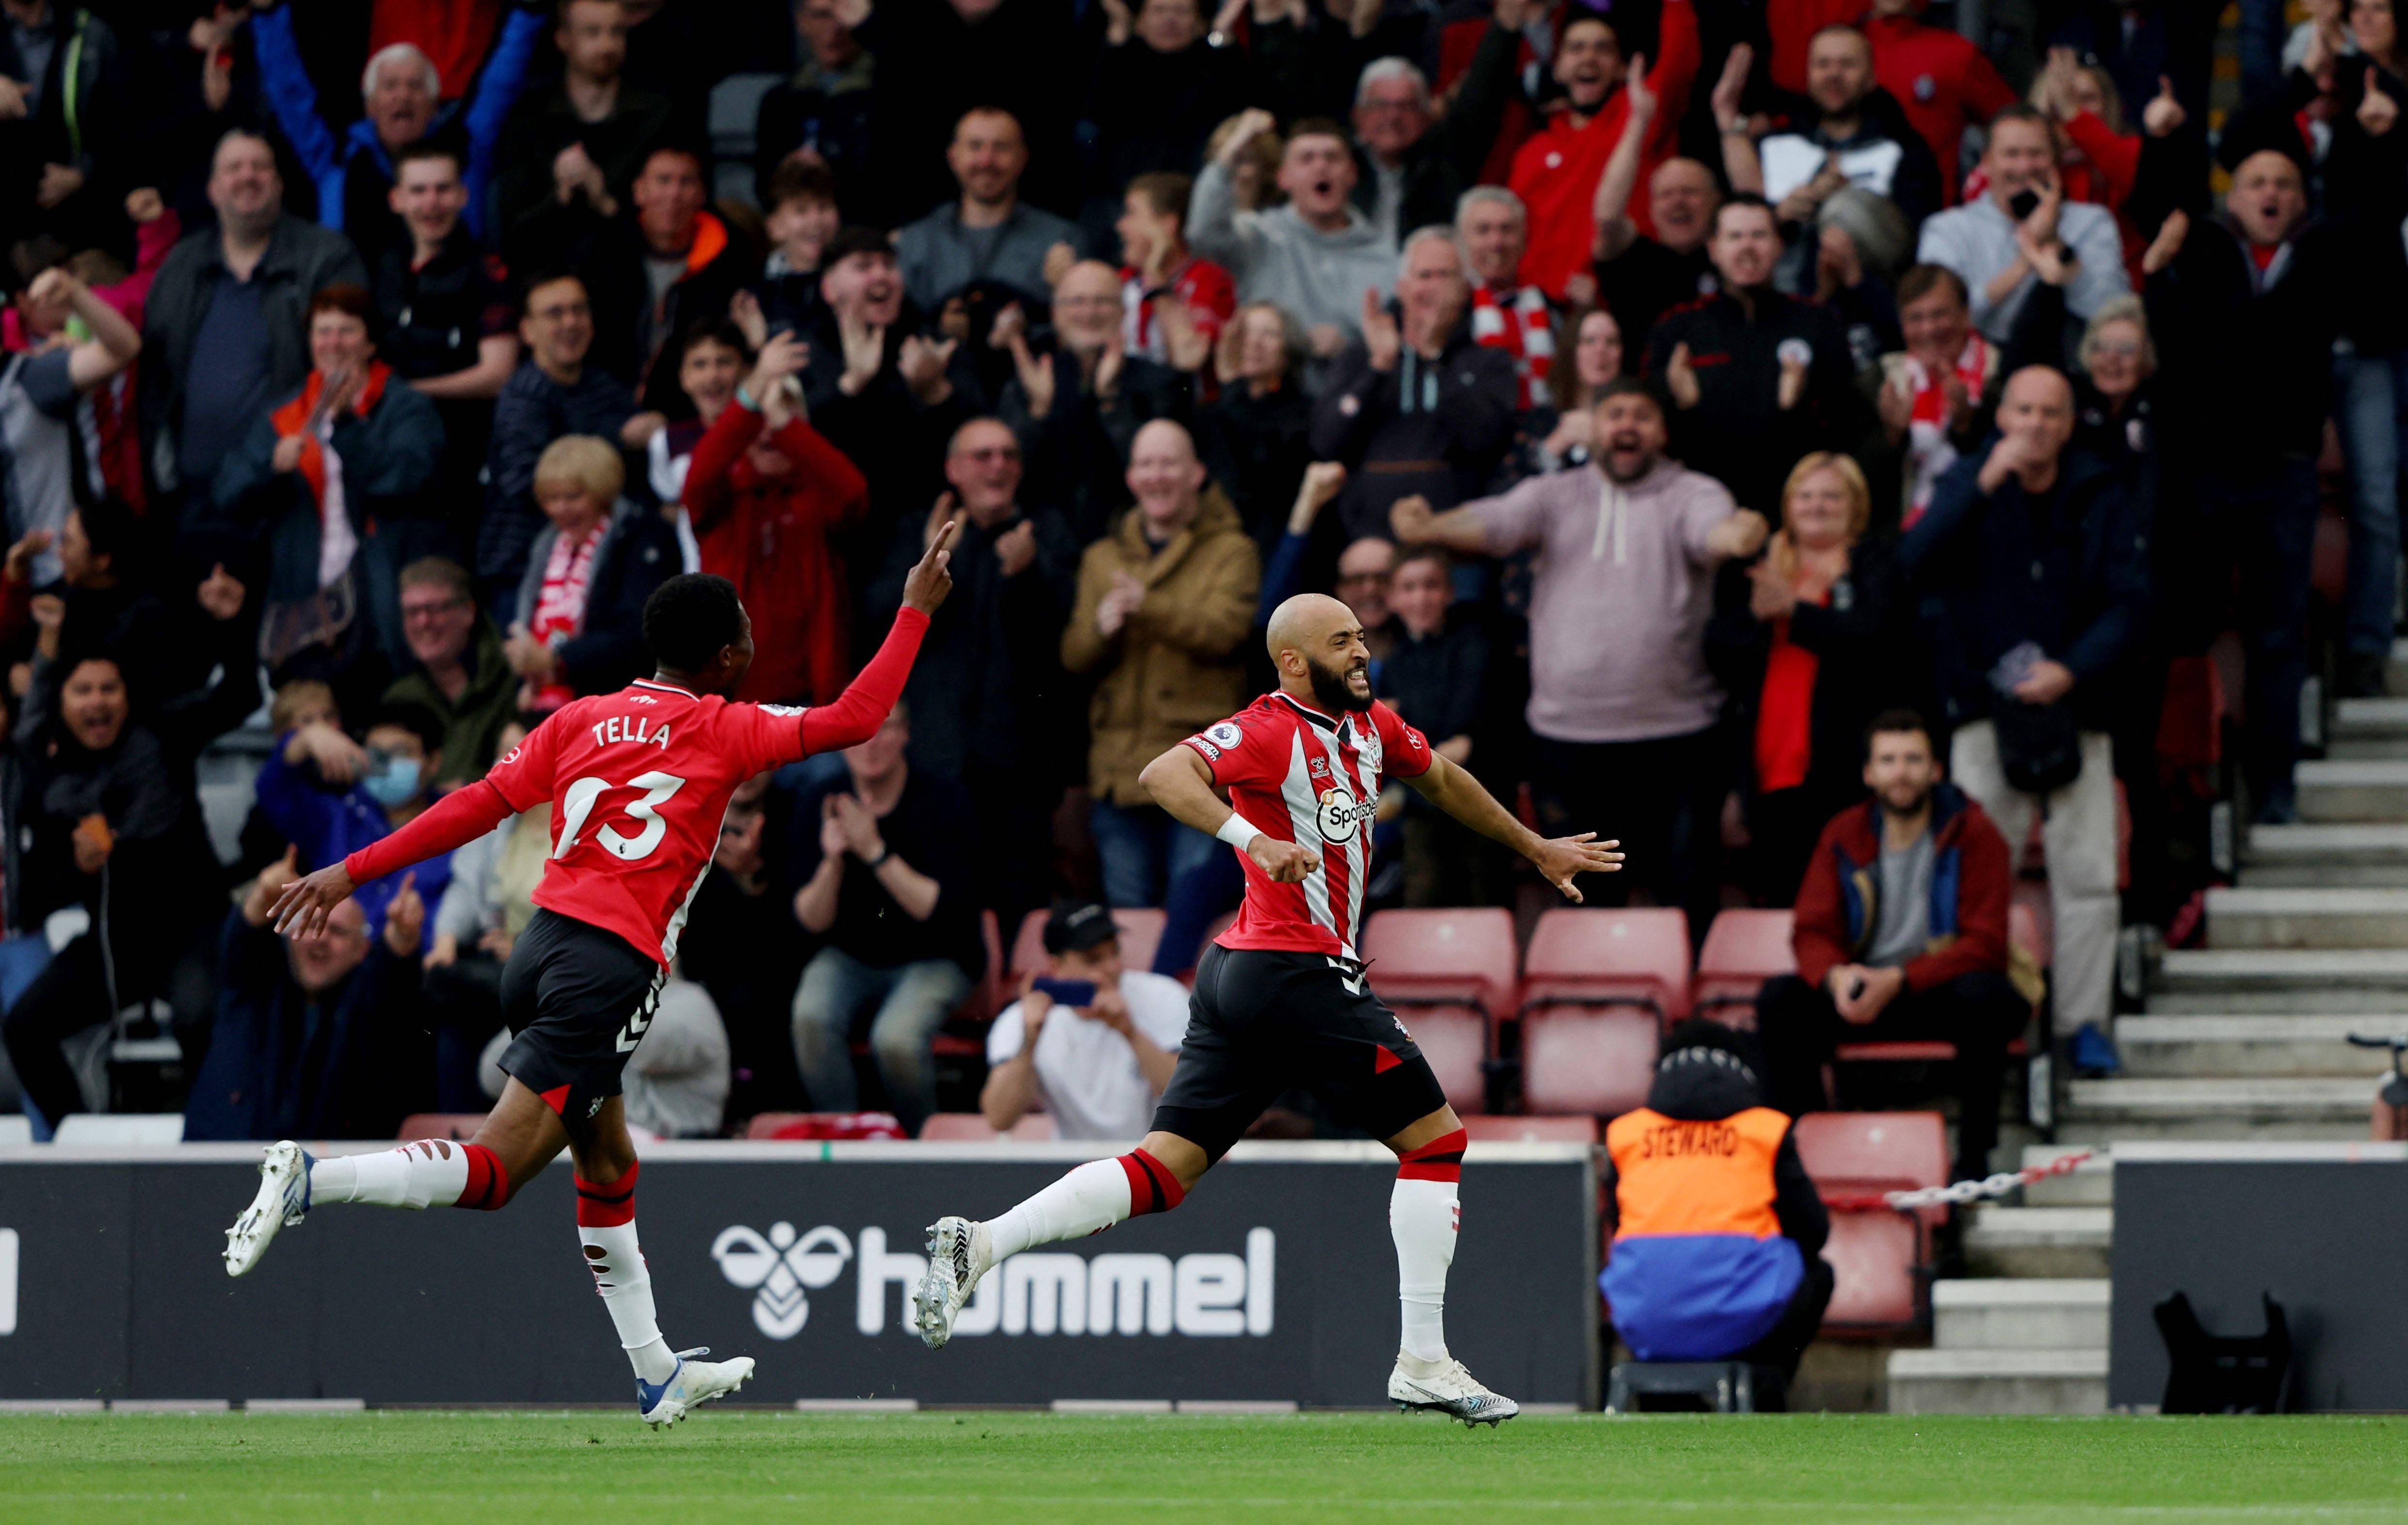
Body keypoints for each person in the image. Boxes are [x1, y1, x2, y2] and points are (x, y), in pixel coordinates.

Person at [224, 532, 960, 1430]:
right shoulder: (730, 725)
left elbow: (471, 807)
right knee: (497, 1172)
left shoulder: (579, 719)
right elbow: (856, 716)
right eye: (745, 632)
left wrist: (352, 871)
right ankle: (312, 1178)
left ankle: (657, 1373)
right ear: (728, 656)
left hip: (538, 950)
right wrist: (916, 606)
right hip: (608, 967)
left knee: (608, 1161)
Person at [912, 589, 1622, 1424]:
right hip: (1294, 969)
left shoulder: (1371, 726)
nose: (1361, 653)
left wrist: (1533, 846)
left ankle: (983, 1242)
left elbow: (1442, 779)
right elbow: (1161, 774)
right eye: (1342, 642)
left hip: (1243, 975)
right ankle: (1423, 1359)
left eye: (1361, 639)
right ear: (1293, 661)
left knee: (1165, 1170)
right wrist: (1253, 841)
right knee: (1436, 1141)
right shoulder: (1264, 728)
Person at [1393, 378, 1768, 941]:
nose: (1626, 425)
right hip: (1568, 745)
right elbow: (1495, 522)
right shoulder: (1553, 493)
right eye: (1614, 413)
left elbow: (1711, 532)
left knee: (1686, 894)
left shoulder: (1693, 491)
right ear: (1591, 427)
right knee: (1586, 907)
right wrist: (1431, 528)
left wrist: (1736, 534)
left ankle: (1690, 1020)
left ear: (1661, 432)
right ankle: (1594, 1019)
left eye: (1641, 414)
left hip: (1679, 740)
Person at [1903, 365, 2144, 1056]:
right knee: (1978, 880)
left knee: (2088, 876)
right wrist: (1978, 485)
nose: (2035, 425)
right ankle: (1981, 1018)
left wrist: (2070, 669)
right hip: (1983, 709)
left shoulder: (2098, 489)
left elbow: (2132, 600)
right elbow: (1910, 564)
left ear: (2068, 424)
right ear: (2000, 416)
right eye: (2023, 411)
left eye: (2050, 413)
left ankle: (2083, 1025)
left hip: (2078, 704)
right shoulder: (1965, 483)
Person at [2135, 146, 2339, 815]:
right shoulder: (2203, 255)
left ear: (2301, 199)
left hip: (2282, 474)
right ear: (2233, 197)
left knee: (2277, 634)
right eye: (2255, 183)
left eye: (2283, 183)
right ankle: (2192, 787)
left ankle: (2272, 783)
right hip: (2209, 475)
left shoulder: (2318, 259)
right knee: (2188, 626)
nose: (2270, 195)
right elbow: (2173, 353)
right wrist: (2159, 275)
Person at [1755, 712, 2029, 1184]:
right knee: (1780, 1000)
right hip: (1865, 988)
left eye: (1912, 759)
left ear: (1935, 769)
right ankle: (1807, 1154)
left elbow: (1984, 943)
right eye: (1887, 760)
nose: (1900, 772)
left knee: (1985, 996)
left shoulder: (1974, 832)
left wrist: (1900, 979)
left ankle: (1975, 1160)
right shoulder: (1844, 832)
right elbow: (1810, 930)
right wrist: (1837, 978)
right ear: (1868, 772)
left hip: (1934, 989)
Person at [868, 417, 1078, 921]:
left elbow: (1064, 649)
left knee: (1017, 904)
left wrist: (1026, 575)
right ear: (953, 469)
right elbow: (878, 622)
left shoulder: (1046, 532)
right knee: (943, 901)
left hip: (1019, 770)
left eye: (1008, 455)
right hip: (936, 760)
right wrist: (928, 563)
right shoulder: (919, 531)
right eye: (983, 455)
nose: (998, 465)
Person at [1062, 420, 1258, 937]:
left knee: (1190, 922)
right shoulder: (1101, 559)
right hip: (1119, 774)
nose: (1157, 475)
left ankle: (1189, 1019)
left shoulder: (1232, 550)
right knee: (1128, 927)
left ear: (1196, 473)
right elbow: (1073, 655)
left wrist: (1148, 606)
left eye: (1169, 462)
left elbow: (1227, 632)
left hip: (1196, 773)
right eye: (1146, 464)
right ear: (1130, 478)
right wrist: (1101, 631)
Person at [142, 129, 369, 540]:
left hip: (289, 497)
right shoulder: (180, 265)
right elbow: (153, 373)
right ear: (212, 190)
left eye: (260, 167)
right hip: (194, 501)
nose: (248, 177)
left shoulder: (326, 257)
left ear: (280, 185)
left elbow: (347, 366)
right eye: (234, 168)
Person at [212, 284, 446, 680]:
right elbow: (229, 495)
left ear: (371, 344)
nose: (333, 343)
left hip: (380, 598)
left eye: (347, 331)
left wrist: (347, 428)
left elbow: (405, 480)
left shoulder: (405, 407)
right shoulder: (288, 414)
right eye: (322, 332)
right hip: (304, 605)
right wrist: (271, 468)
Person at [1707, 452, 1908, 904]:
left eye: (1832, 496)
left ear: (1855, 505)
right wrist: (1761, 619)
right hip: (1769, 767)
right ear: (1788, 504)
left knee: (1851, 902)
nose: (1817, 506)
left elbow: (1877, 640)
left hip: (1846, 767)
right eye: (1806, 495)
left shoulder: (1875, 562)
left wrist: (1794, 612)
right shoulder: (1757, 565)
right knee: (1777, 902)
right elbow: (1716, 649)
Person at [1601, 1019, 1831, 1393]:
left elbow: (1617, 1224)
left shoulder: (1627, 1133)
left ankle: (1665, 1397)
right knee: (1818, 1273)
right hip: (1744, 1324)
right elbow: (1814, 1231)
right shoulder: (1764, 1130)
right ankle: (1762, 1383)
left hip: (1647, 1319)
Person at [787, 702, 982, 1133]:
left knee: (895, 1038)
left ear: (906, 735)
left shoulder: (943, 799)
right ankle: (843, 1134)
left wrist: (874, 851)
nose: (871, 743)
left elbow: (937, 911)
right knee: (811, 1015)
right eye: (860, 731)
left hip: (937, 956)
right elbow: (809, 920)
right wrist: (833, 862)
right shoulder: (820, 798)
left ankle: (919, 1146)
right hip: (852, 956)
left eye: (885, 728)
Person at [249, 5, 541, 260]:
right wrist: (268, 13)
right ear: (370, 106)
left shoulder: (466, 148)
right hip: (355, 312)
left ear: (434, 106)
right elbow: (289, 91)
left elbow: (502, 81)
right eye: (390, 87)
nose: (403, 97)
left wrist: (529, 10)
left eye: (415, 86)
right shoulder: (333, 158)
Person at [183, 849, 433, 1142]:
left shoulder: (366, 1004)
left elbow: (393, 982)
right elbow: (243, 940)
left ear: (362, 950)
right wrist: (265, 894)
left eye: (338, 931)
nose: (321, 938)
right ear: (289, 936)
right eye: (311, 925)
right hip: (222, 1167)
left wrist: (403, 936)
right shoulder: (255, 985)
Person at [1646, 195, 1868, 520]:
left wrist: (1799, 405)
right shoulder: (1678, 329)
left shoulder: (1817, 324)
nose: (1747, 247)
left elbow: (1847, 431)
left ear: (1780, 246)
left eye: (1759, 236)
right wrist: (1684, 406)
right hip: (1702, 514)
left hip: (1797, 514)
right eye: (1735, 237)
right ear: (1714, 250)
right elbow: (1656, 439)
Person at [680, 330, 869, 706]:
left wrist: (786, 424)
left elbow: (854, 496)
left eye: (781, 417)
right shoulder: (723, 499)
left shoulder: (817, 498)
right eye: (760, 420)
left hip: (813, 703)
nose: (771, 429)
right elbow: (700, 475)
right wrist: (751, 398)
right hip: (731, 704)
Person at [514, 143, 759, 415]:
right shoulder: (600, 252)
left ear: (702, 195)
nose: (674, 194)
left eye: (686, 182)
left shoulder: (731, 261)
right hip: (601, 407)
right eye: (663, 181)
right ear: (639, 191)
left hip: (694, 413)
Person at [1311, 229, 1518, 543]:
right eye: (1424, 276)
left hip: (1455, 544)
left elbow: (1485, 439)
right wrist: (1377, 368)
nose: (1432, 287)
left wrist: (1435, 358)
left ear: (1465, 290)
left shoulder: (1489, 362)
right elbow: (1326, 441)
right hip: (1367, 544)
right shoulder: (1361, 358)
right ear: (1403, 287)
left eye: (1444, 276)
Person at [1508, 0, 1701, 298]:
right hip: (1548, 318)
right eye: (1576, 48)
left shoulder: (1639, 114)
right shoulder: (1530, 153)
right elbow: (1518, 243)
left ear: (1623, 68)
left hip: (1625, 300)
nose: (1589, 57)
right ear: (1557, 68)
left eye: (1603, 49)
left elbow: (1679, 56)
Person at [479, 272, 642, 610]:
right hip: (525, 572)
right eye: (555, 314)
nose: (570, 322)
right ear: (527, 331)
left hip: (599, 563)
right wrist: (619, 438)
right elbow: (524, 482)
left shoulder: (603, 385)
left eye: (579, 311)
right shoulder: (522, 396)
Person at [372, 142, 520, 513]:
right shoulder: (385, 268)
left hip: (464, 458)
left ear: (462, 196)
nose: (431, 203)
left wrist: (409, 391)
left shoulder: (486, 272)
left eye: (442, 189)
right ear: (397, 199)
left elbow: (498, 375)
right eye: (419, 191)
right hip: (391, 453)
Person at [999, 258, 1190, 544]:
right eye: (1077, 302)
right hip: (1043, 547)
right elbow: (1004, 478)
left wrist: (1112, 404)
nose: (1089, 313)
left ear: (1123, 313)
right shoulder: (1030, 379)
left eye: (1102, 302)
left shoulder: (1159, 382)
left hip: (1130, 544)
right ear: (1056, 314)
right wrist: (1038, 412)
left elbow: (1159, 480)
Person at [1188, 112, 1395, 359]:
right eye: (1306, 159)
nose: (1321, 166)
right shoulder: (1259, 238)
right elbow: (1202, 234)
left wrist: (1350, 351)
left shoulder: (1385, 257)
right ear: (1283, 177)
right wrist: (1231, 151)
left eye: (1332, 158)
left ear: (1352, 174)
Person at [1913, 107, 2128, 345]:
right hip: (1983, 372)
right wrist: (2027, 259)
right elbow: (1937, 324)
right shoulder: (1948, 230)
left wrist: (2057, 245)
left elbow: (2115, 316)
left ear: (2055, 161)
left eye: (2036, 154)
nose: (2025, 167)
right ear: (1986, 162)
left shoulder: (2091, 222)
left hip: (2073, 367)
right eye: (2011, 154)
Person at [980, 899, 1187, 1141]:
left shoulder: (1164, 995)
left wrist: (1129, 1032)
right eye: (1093, 959)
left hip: (1156, 1159)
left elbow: (1187, 1099)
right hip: (1073, 1166)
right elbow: (999, 1119)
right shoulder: (1022, 1019)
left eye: (1115, 952)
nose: (1112, 967)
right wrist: (1029, 1043)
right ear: (1057, 967)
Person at [256, 699, 456, 937]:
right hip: (329, 957)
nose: (386, 764)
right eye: (376, 754)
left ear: (433, 762)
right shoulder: (337, 817)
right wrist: (305, 738)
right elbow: (274, 792)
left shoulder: (459, 827)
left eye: (400, 753)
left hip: (405, 967)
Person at [505, 436, 679, 710]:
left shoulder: (641, 538)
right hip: (544, 704)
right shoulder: (546, 545)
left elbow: (638, 633)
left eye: (573, 497)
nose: (561, 509)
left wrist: (558, 660)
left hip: (617, 705)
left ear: (602, 491)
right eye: (551, 498)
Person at [1730, 25, 1943, 238]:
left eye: (1848, 64)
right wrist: (1778, 216)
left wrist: (1851, 203)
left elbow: (1919, 237)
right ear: (1808, 75)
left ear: (1871, 79)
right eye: (1823, 64)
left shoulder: (1907, 150)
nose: (1834, 74)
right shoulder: (1770, 146)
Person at [489, 0, 676, 243]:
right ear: (563, 39)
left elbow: (668, 232)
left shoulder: (657, 117)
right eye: (593, 32)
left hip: (631, 271)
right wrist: (561, 197)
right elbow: (512, 230)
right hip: (546, 271)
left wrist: (603, 201)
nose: (607, 45)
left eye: (617, 32)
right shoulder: (529, 118)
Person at [1380, 545, 1505, 907]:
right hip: (1422, 810)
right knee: (1423, 899)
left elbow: (1465, 742)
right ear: (1392, 598)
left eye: (1431, 585)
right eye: (1409, 587)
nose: (1421, 597)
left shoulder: (1475, 646)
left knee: (1484, 905)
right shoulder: (1395, 664)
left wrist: (1399, 786)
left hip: (1479, 804)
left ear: (1449, 592)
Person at [0, 264, 140, 584]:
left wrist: (75, 295)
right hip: (12, 585)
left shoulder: (30, 377)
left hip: (60, 571)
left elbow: (124, 349)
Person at [1589, 53, 1722, 351]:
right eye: (1665, 194)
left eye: (1690, 192)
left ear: (1716, 202)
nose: (1677, 202)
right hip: (1645, 393)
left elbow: (1755, 206)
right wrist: (1639, 122)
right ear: (1651, 208)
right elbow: (1608, 215)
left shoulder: (1732, 257)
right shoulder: (1636, 261)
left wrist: (1729, 125)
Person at [894, 107, 1081, 316]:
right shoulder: (915, 242)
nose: (986, 161)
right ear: (953, 157)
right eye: (975, 147)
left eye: (1001, 148)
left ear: (1023, 159)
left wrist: (1064, 289)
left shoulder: (1060, 239)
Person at [1878, 264, 2000, 528]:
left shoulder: (2002, 375)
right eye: (1915, 318)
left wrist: (1966, 424)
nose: (1928, 329)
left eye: (1939, 315)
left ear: (1966, 315)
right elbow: (1868, 483)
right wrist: (1893, 436)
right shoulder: (1882, 380)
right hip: (1907, 536)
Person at [383, 557, 518, 788]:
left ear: (468, 611)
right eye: (412, 612)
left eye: (435, 609)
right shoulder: (399, 699)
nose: (423, 622)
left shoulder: (512, 680)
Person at [754, 0, 876, 217]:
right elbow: (764, 184)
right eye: (822, 16)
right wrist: (789, 172)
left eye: (844, 15)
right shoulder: (782, 99)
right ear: (802, 22)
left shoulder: (889, 90)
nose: (834, 28)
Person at [1116, 171, 1235, 367]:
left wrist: (1157, 285)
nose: (1120, 226)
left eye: (1131, 214)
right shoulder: (1123, 279)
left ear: (1168, 225)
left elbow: (1189, 359)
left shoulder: (1210, 280)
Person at [1458, 188, 1554, 413]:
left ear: (1523, 239)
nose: (1496, 242)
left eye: (1507, 230)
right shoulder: (1451, 311)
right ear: (1462, 240)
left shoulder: (1552, 309)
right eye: (1483, 230)